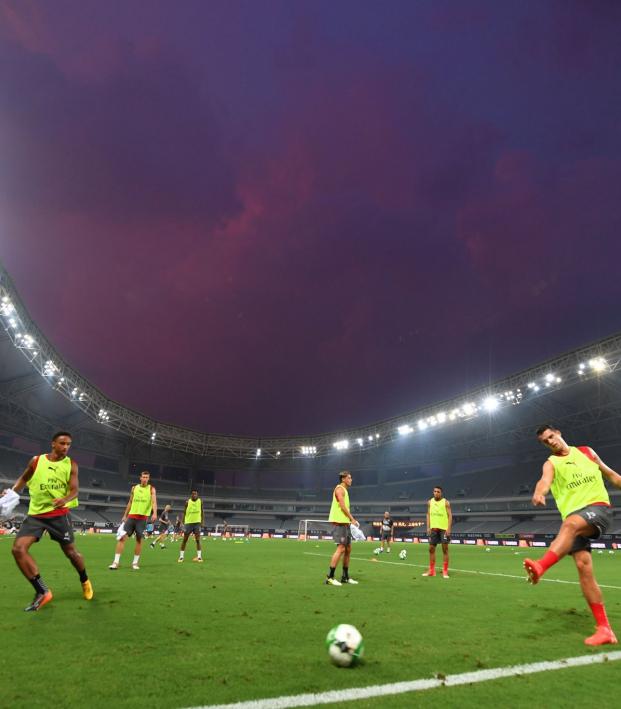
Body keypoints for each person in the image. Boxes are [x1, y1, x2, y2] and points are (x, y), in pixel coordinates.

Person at [523, 423, 621, 646]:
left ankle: (541, 566)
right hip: (575, 517)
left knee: (569, 526)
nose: (550, 442)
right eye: (545, 442)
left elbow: (612, 476)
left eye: (551, 436)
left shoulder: (586, 452)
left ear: (558, 433)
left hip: (598, 509)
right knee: (583, 567)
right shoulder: (551, 464)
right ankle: (605, 629)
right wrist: (539, 493)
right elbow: (544, 481)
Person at [2, 431, 93, 611]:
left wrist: (64, 499)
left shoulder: (71, 465)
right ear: (53, 444)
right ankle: (42, 591)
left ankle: (84, 580)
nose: (66, 447)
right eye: (62, 443)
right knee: (18, 549)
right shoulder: (36, 461)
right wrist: (12, 493)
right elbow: (24, 478)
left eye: (68, 444)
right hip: (36, 515)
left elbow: (74, 490)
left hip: (59, 515)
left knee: (71, 553)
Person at [109, 471, 157, 570]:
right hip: (131, 517)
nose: (144, 479)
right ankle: (115, 562)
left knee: (139, 540)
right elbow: (130, 502)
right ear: (140, 478)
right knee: (122, 538)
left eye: (146, 477)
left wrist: (155, 513)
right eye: (143, 477)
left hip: (142, 518)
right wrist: (125, 515)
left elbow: (154, 502)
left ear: (148, 478)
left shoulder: (151, 489)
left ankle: (135, 563)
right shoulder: (134, 488)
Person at [325, 471, 359, 586]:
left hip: (345, 524)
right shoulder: (339, 489)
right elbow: (342, 505)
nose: (351, 480)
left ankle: (345, 577)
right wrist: (352, 519)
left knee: (348, 549)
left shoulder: (345, 491)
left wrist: (350, 521)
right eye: (349, 478)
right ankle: (330, 577)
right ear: (343, 479)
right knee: (341, 548)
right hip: (339, 523)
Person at [423, 486, 452, 579]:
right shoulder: (430, 502)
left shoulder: (446, 502)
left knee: (445, 549)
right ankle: (431, 571)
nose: (436, 493)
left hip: (443, 529)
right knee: (431, 549)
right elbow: (428, 514)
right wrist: (428, 527)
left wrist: (448, 529)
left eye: (438, 492)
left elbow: (450, 515)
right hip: (433, 529)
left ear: (441, 493)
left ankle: (445, 571)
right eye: (435, 491)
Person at [178, 490, 204, 563]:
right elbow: (184, 512)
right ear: (191, 495)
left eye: (195, 494)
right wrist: (182, 522)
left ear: (197, 494)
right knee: (185, 540)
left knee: (198, 540)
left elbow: (202, 512)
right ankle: (181, 557)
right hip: (188, 523)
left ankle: (199, 557)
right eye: (193, 494)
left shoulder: (200, 501)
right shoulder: (187, 502)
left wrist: (202, 521)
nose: (194, 495)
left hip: (197, 523)